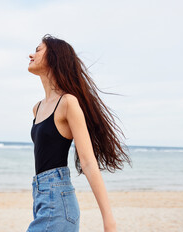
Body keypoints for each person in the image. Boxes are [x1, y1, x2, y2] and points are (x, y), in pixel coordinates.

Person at [26, 34, 132, 232]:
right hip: (41, 198)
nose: (31, 55)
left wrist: (109, 219)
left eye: (38, 50)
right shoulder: (37, 108)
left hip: (57, 200)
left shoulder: (67, 103)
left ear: (54, 58)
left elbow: (88, 161)